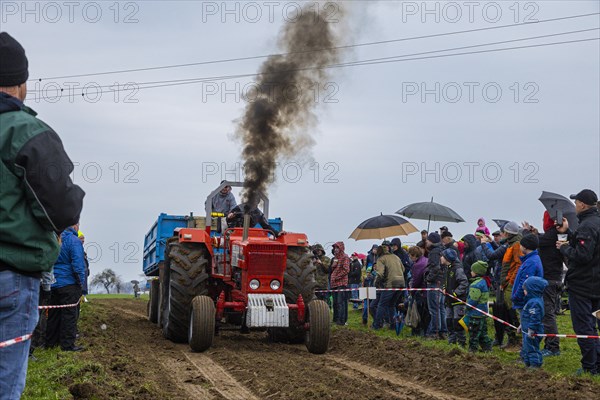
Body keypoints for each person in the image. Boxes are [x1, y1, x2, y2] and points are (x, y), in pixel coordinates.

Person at [0, 32, 85, 400]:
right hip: (11, 276)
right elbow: (63, 207)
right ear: (21, 84)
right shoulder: (26, 132)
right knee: (5, 377)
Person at [556, 189, 600, 375]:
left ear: (582, 204)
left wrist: (565, 249)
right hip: (596, 284)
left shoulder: (587, 226)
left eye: (576, 203)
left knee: (584, 328)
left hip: (583, 286)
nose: (575, 206)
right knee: (594, 327)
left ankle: (590, 368)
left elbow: (582, 255)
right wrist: (569, 232)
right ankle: (596, 364)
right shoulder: (593, 223)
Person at [46, 223, 87, 352]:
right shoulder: (73, 240)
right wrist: (81, 284)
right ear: (75, 226)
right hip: (69, 283)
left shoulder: (54, 238)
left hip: (53, 282)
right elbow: (78, 264)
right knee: (69, 315)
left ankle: (51, 343)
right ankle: (68, 345)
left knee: (54, 314)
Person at [528, 212, 563, 357]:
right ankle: (550, 344)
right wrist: (537, 233)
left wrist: (527, 233)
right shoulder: (553, 234)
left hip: (549, 279)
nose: (543, 221)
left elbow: (537, 242)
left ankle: (553, 347)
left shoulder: (552, 233)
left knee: (548, 314)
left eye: (544, 219)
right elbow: (542, 240)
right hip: (552, 278)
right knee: (546, 313)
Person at [499, 221, 523, 349]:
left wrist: (511, 281)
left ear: (508, 233)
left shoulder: (516, 245)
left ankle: (518, 340)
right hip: (507, 281)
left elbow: (518, 265)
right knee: (507, 311)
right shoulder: (511, 244)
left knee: (512, 310)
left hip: (511, 283)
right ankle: (512, 338)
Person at [372, 241, 405, 330]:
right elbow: (403, 269)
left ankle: (377, 325)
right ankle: (393, 326)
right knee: (391, 305)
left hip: (390, 284)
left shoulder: (381, 259)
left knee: (381, 305)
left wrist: (376, 283)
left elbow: (380, 274)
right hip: (401, 283)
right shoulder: (396, 257)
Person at [518, 276, 548, 369]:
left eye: (525, 289)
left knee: (532, 348)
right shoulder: (530, 301)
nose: (524, 291)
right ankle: (528, 363)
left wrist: (532, 329)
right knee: (527, 348)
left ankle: (535, 364)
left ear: (532, 290)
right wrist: (521, 326)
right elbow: (526, 317)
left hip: (533, 331)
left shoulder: (535, 303)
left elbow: (535, 318)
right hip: (526, 330)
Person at [441, 249, 468, 347]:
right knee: (449, 321)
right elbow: (446, 280)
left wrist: (455, 293)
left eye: (442, 256)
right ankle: (451, 342)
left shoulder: (458, 269)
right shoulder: (447, 268)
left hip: (458, 301)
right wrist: (444, 288)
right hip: (448, 300)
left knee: (457, 322)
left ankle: (461, 342)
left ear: (447, 258)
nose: (441, 258)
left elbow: (464, 283)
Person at [511, 234, 543, 310]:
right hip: (529, 300)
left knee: (526, 321)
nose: (520, 247)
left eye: (520, 245)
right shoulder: (533, 259)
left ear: (525, 247)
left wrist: (516, 297)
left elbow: (525, 282)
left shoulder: (530, 262)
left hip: (526, 302)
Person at [466, 261, 493, 353]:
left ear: (476, 272)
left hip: (475, 314)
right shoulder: (484, 281)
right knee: (482, 333)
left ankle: (472, 350)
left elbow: (473, 300)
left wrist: (467, 306)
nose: (470, 272)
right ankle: (487, 348)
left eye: (472, 270)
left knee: (474, 333)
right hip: (482, 312)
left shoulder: (475, 285)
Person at [424, 232, 447, 339]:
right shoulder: (442, 250)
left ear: (432, 241)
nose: (426, 242)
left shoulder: (434, 252)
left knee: (434, 308)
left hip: (434, 282)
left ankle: (435, 332)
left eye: (428, 240)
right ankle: (443, 331)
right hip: (442, 281)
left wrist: (429, 278)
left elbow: (435, 268)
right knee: (441, 307)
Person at [408, 246, 430, 336]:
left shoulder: (417, 265)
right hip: (427, 291)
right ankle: (424, 331)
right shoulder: (426, 260)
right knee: (426, 314)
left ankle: (417, 332)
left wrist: (412, 291)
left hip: (420, 292)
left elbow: (416, 280)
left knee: (417, 313)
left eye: (410, 255)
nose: (409, 257)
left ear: (413, 255)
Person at [330, 242, 350, 326]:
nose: (335, 249)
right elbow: (332, 269)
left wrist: (336, 277)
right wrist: (333, 265)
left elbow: (346, 270)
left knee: (340, 302)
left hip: (341, 283)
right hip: (334, 284)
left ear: (341, 248)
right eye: (335, 248)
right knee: (335, 302)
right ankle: (335, 318)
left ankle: (342, 320)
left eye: (337, 248)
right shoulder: (335, 258)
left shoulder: (345, 257)